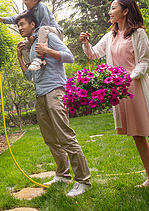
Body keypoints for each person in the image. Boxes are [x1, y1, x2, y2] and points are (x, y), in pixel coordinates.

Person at [79, 0, 149, 192]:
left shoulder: (138, 34)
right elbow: (93, 54)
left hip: (138, 88)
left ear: (125, 11)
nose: (109, 11)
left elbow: (145, 62)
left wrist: (129, 78)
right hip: (121, 93)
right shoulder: (110, 36)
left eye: (113, 8)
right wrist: (86, 43)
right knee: (137, 134)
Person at [15, 12, 92, 197]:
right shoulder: (31, 47)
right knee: (50, 138)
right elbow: (30, 76)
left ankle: (83, 181)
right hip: (40, 94)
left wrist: (46, 50)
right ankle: (63, 174)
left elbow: (69, 57)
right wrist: (20, 57)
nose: (20, 28)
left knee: (65, 136)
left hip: (55, 91)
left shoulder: (48, 37)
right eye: (18, 26)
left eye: (22, 24)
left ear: (33, 24)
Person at [0, 0, 64, 71]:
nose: (24, 2)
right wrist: (2, 19)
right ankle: (32, 68)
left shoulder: (42, 8)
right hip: (41, 36)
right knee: (23, 46)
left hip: (55, 32)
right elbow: (16, 18)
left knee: (42, 30)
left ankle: (38, 59)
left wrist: (33, 36)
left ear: (35, 0)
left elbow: (44, 24)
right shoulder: (28, 11)